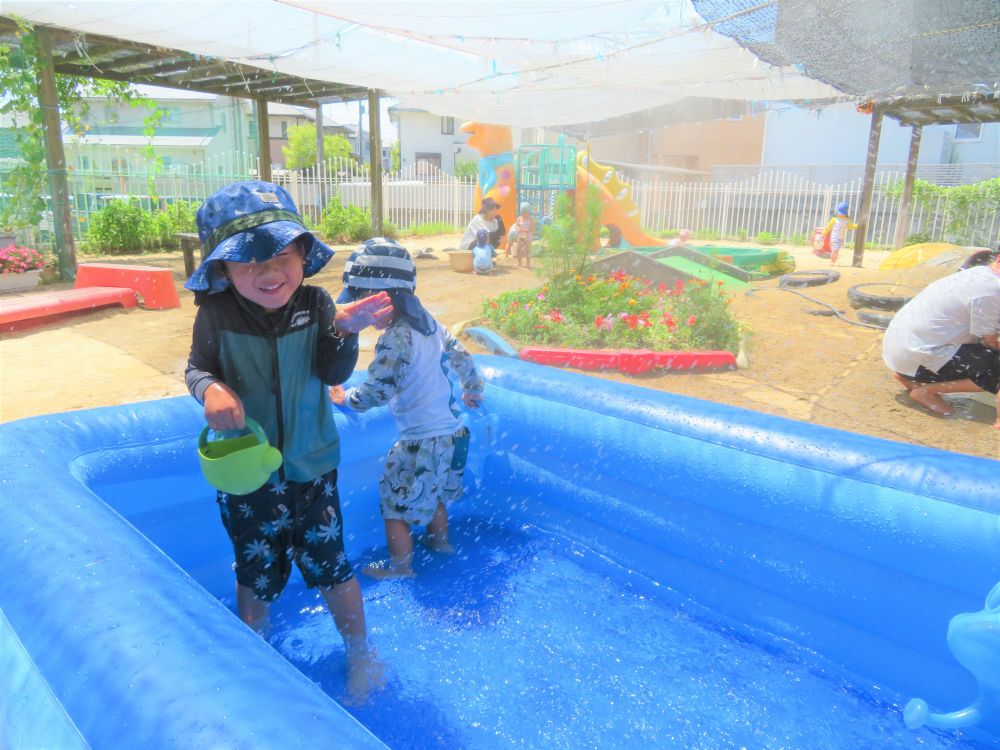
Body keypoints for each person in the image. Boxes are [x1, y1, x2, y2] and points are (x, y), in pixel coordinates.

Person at [184, 180, 394, 701]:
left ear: (303, 253)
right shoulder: (216, 314)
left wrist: (346, 333)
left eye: (281, 254)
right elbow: (195, 369)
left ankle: (361, 654)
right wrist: (209, 389)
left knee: (334, 567)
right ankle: (256, 653)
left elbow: (330, 370)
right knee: (255, 575)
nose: (269, 271)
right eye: (248, 262)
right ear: (222, 269)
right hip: (248, 474)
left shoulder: (317, 304)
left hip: (312, 466)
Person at [329, 239, 484, 579]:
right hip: (455, 434)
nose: (363, 316)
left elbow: (377, 391)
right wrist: (472, 389)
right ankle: (441, 543)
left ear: (381, 300)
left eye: (363, 305)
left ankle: (402, 567)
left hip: (421, 442)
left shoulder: (395, 337)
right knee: (437, 492)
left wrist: (346, 399)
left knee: (394, 506)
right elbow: (462, 356)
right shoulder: (430, 322)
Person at [882, 250, 1000, 428]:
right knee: (994, 365)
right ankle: (927, 392)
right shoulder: (991, 290)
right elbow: (990, 341)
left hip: (898, 353)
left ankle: (908, 378)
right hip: (918, 356)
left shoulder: (977, 274)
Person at [823, 201, 858, 266]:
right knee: (835, 249)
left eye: (843, 213)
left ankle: (834, 260)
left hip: (840, 238)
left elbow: (849, 226)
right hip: (834, 237)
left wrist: (856, 226)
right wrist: (824, 233)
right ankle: (832, 261)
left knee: (837, 250)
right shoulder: (834, 219)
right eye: (840, 213)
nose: (841, 214)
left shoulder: (846, 220)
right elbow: (828, 227)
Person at [505, 202, 536, 268]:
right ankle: (519, 263)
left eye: (526, 212)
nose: (524, 214)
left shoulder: (531, 219)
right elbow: (516, 225)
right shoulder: (519, 218)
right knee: (519, 250)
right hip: (521, 236)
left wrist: (529, 230)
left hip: (528, 237)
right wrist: (518, 229)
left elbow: (533, 228)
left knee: (527, 250)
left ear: (529, 212)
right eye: (522, 212)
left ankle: (528, 264)